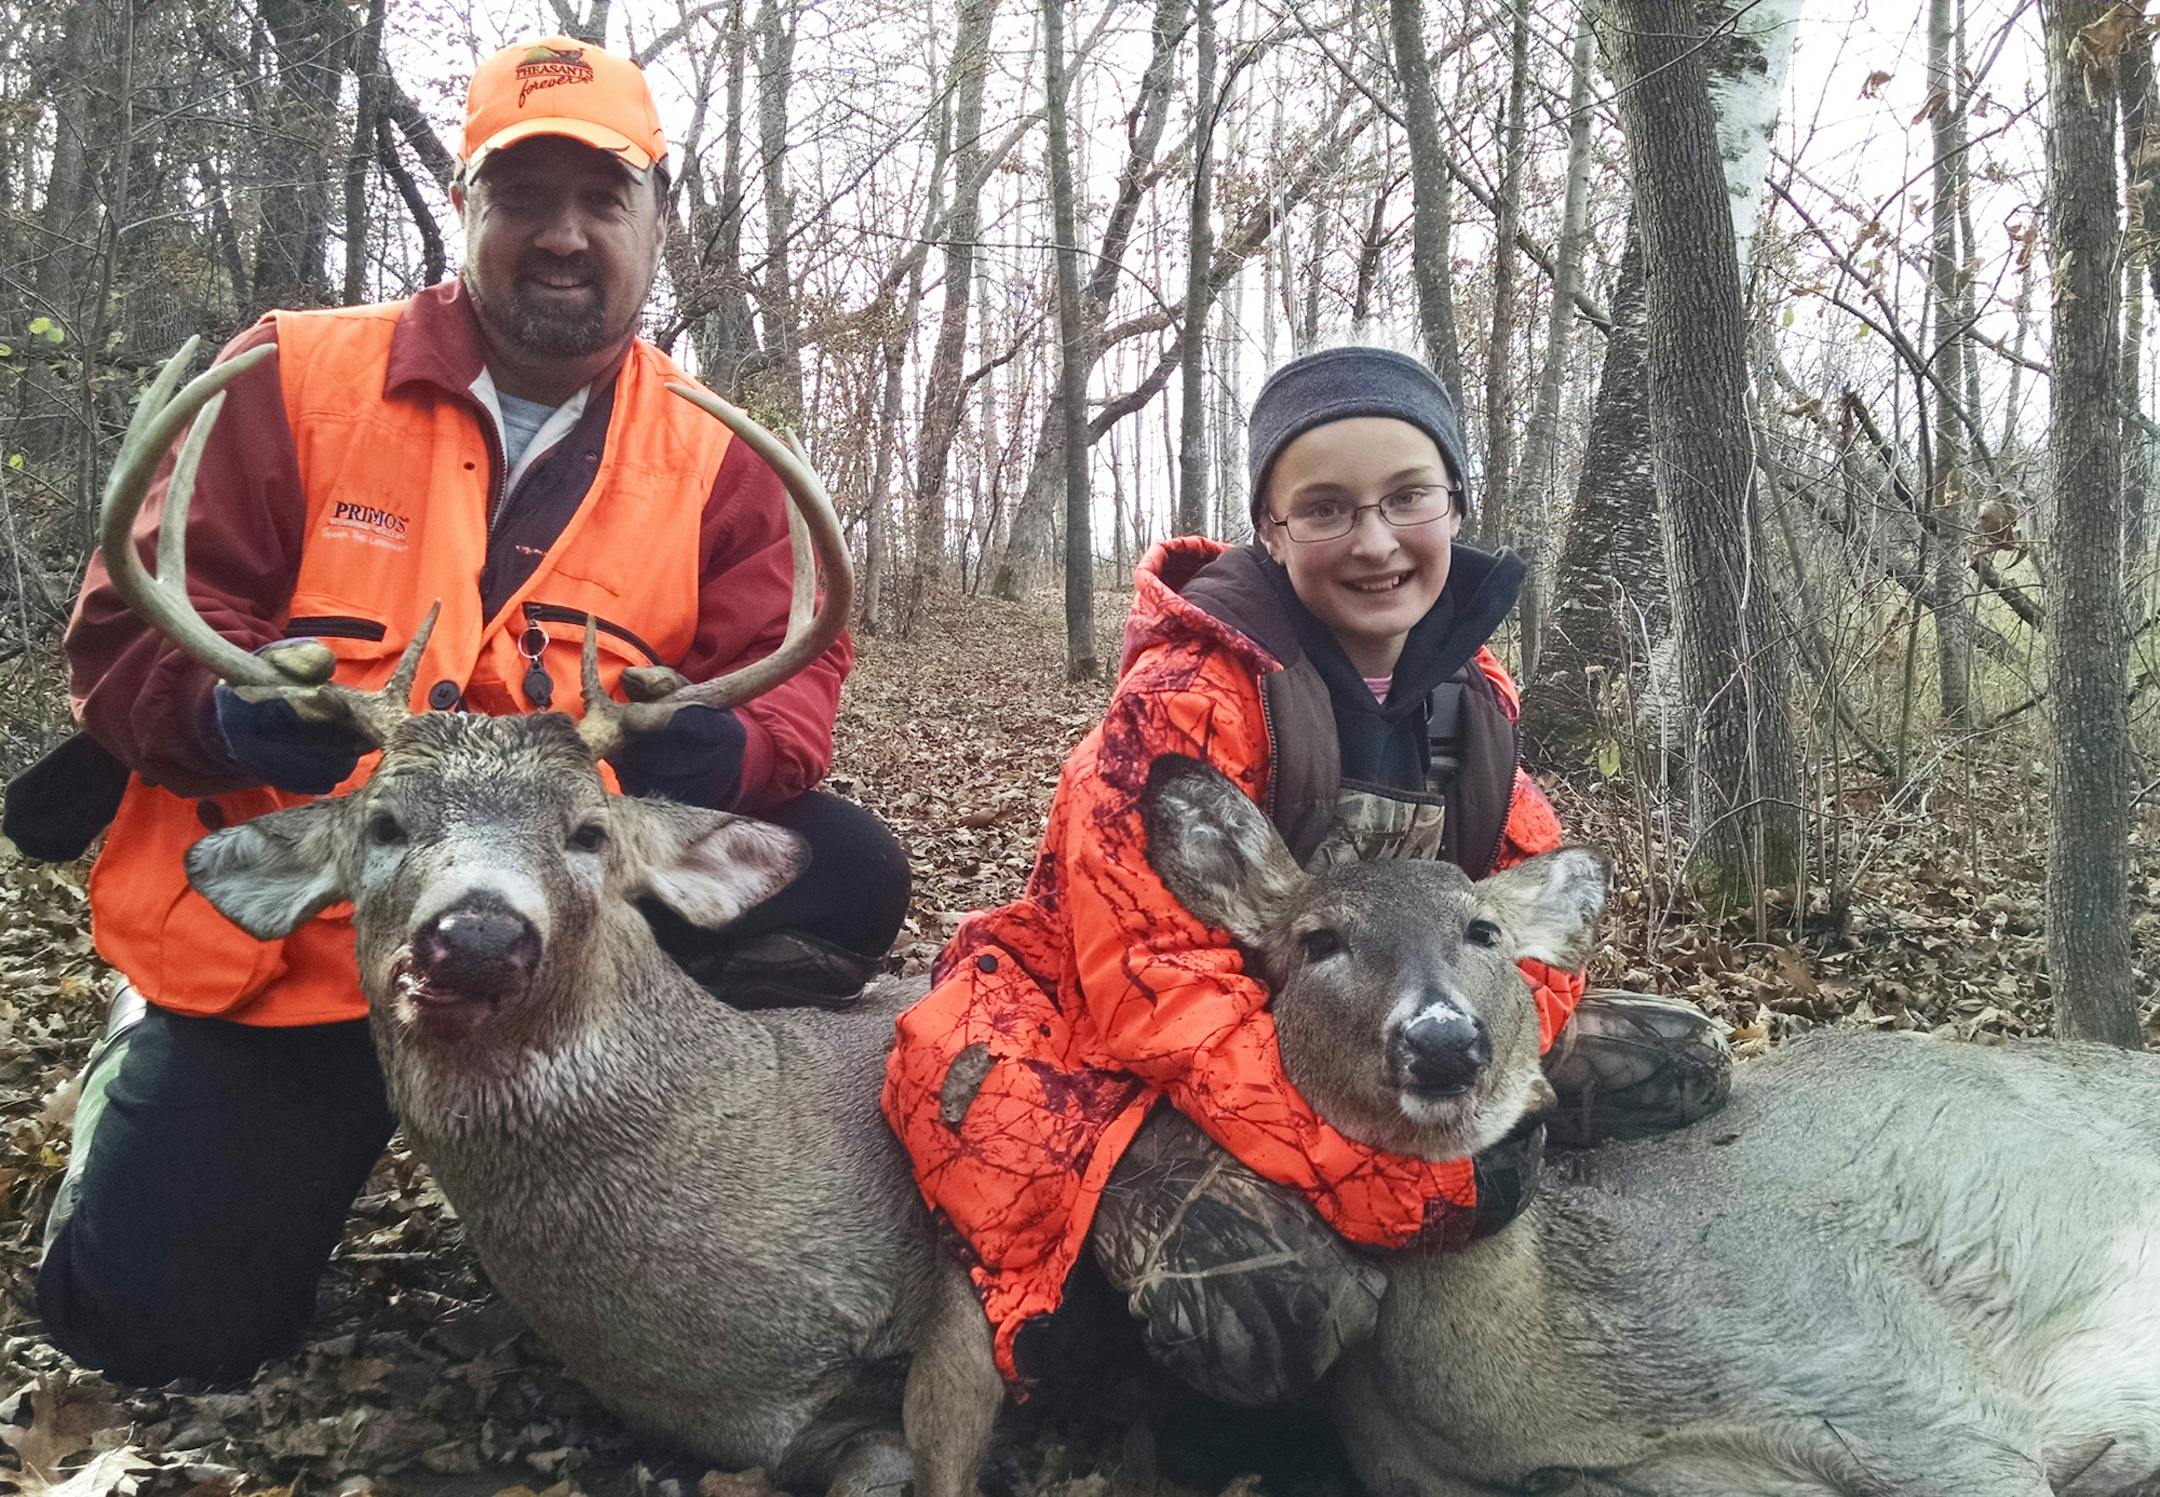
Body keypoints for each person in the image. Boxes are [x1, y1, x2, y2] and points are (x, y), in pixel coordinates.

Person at [18, 36, 910, 1389]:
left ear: (655, 219)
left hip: (558, 921)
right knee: (152, 1332)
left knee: (845, 868)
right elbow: (123, 635)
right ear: (466, 208)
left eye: (601, 200)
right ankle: (152, 1059)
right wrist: (238, 716)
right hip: (318, 926)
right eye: (522, 194)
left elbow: (791, 691)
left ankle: (653, 1110)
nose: (562, 236)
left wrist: (712, 743)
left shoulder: (716, 453)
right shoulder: (294, 379)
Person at [881, 343, 1730, 1407]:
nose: (1373, 541)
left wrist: (1500, 1070)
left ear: (1454, 507)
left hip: (1375, 1006)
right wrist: (1413, 1177)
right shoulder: (1184, 703)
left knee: (1678, 1060)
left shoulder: (1470, 700)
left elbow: (1517, 919)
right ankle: (1098, 1350)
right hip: (1102, 1042)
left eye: (1407, 497)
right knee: (1265, 1308)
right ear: (1271, 531)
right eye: (1324, 509)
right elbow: (1155, 993)